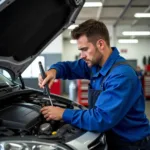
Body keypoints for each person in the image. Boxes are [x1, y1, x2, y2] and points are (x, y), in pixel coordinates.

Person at [38, 19, 150, 150]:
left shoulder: (121, 75)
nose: (82, 56)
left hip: (130, 144)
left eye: (84, 49)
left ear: (101, 44)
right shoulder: (94, 65)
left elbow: (101, 118)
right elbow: (68, 67)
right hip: (109, 137)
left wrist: (62, 113)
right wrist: (53, 71)